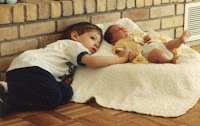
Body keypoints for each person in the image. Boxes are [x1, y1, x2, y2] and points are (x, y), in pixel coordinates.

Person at [0, 22, 131, 117]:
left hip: (19, 71)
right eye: (92, 38)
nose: (96, 46)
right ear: (75, 36)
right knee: (54, 95)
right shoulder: (73, 45)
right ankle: (7, 91)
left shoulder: (67, 53)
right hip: (33, 66)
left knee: (66, 92)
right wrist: (121, 59)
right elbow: (92, 62)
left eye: (98, 45)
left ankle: (6, 95)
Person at [104, 24, 191, 64]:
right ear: (113, 41)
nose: (123, 28)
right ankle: (169, 61)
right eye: (119, 29)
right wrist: (129, 55)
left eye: (123, 26)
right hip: (146, 53)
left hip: (156, 44)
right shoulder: (120, 43)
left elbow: (150, 38)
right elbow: (121, 53)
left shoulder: (136, 34)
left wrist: (147, 38)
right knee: (156, 53)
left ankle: (179, 41)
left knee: (169, 44)